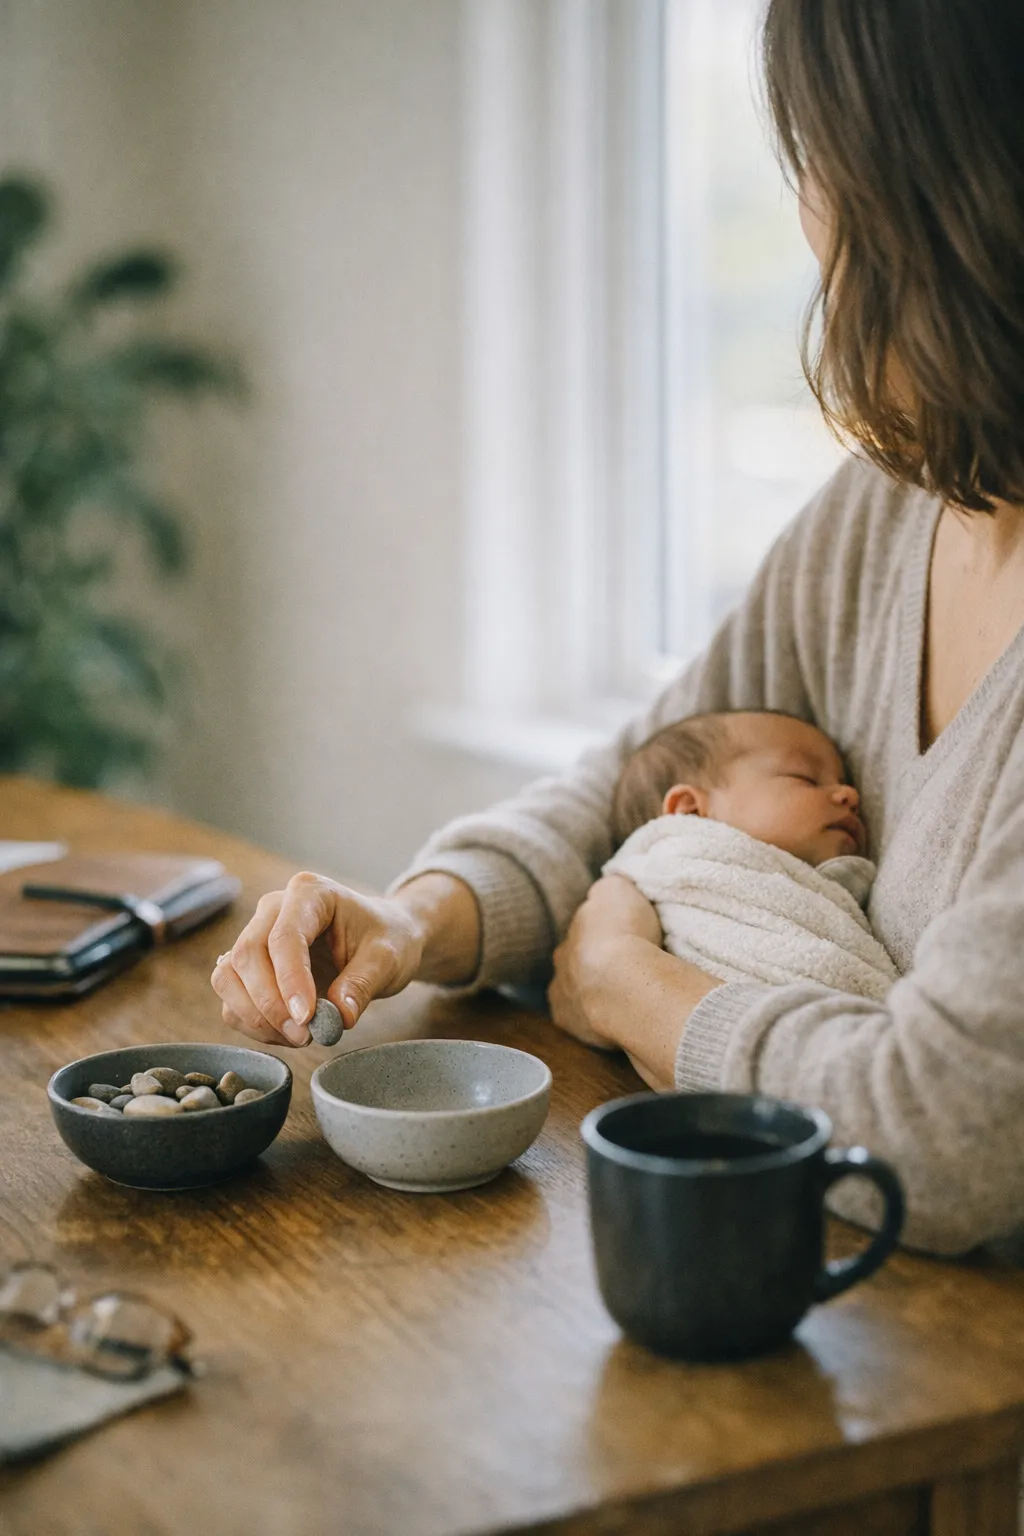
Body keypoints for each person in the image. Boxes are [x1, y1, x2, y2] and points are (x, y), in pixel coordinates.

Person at [212, 0, 1024, 1255]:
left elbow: (953, 1132)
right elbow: (639, 784)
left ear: (924, 187)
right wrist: (416, 923)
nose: (804, 203)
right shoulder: (887, 505)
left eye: (815, 153)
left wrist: (635, 990)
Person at [604, 710, 898, 1000]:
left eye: (843, 780)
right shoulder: (668, 878)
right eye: (805, 778)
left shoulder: (838, 893)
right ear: (690, 811)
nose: (849, 794)